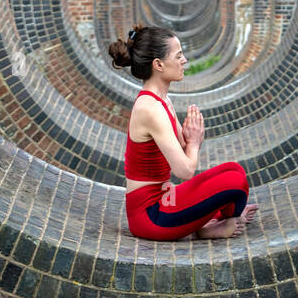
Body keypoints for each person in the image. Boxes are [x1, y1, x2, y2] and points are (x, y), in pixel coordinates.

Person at [108, 23, 258, 240]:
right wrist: (195, 142)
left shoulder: (162, 100)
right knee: (235, 184)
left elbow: (182, 146)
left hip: (165, 198)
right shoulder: (150, 109)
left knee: (234, 170)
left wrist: (191, 139)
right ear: (158, 64)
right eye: (178, 56)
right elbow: (185, 170)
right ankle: (210, 227)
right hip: (151, 216)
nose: (184, 61)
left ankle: (215, 220)